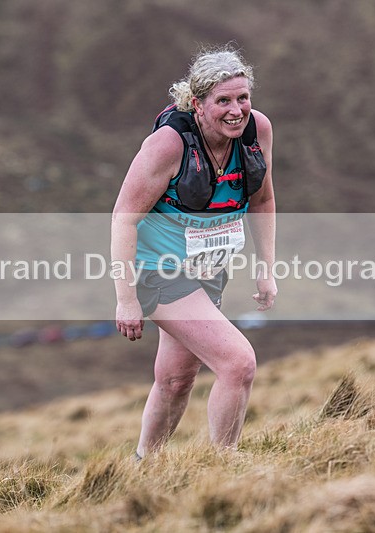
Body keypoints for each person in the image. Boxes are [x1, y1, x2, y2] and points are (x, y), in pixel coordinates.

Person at [111, 46, 276, 458]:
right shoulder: (168, 145)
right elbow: (123, 218)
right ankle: (224, 468)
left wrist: (266, 269)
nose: (236, 110)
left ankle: (143, 467)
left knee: (175, 381)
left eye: (242, 98)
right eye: (223, 101)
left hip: (207, 270)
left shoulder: (257, 131)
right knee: (238, 363)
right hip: (159, 271)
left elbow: (263, 201)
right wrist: (126, 299)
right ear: (197, 104)